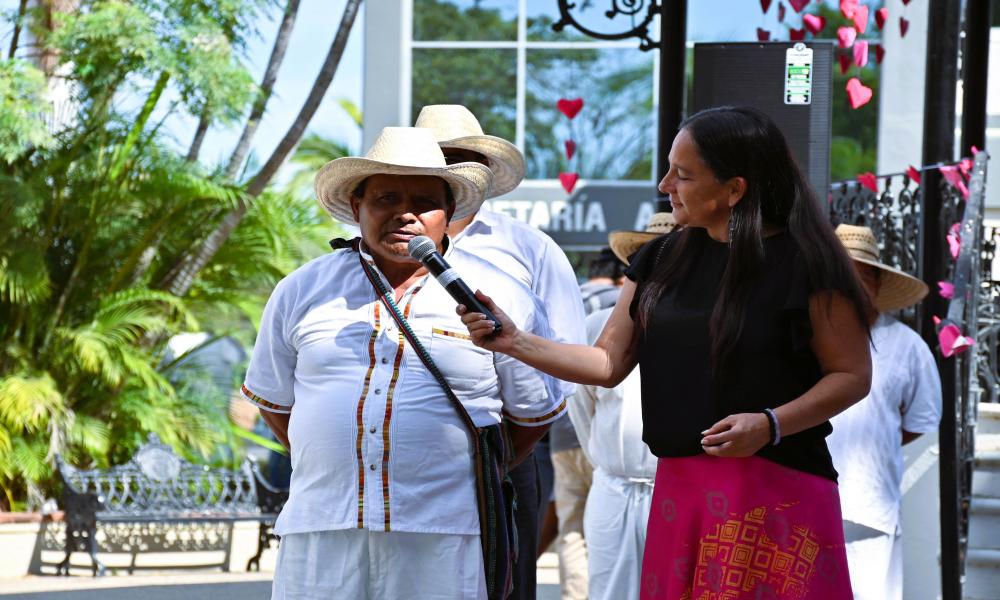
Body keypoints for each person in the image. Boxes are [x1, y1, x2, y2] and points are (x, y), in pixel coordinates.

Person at [459, 106, 874, 599]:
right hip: (681, 489)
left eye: (682, 173)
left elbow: (851, 374)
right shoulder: (660, 259)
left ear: (734, 189)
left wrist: (770, 423)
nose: (664, 185)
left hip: (775, 489)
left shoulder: (808, 264)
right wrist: (514, 341)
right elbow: (608, 363)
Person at [243, 127, 566, 599]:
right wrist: (332, 457)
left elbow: (531, 413)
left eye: (423, 201)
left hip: (445, 532)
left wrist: (472, 470)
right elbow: (275, 401)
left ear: (449, 214)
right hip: (323, 527)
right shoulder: (301, 290)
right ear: (357, 208)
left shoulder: (501, 295)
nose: (405, 213)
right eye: (386, 197)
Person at [415, 103, 587, 600]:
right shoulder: (378, 248)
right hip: (406, 459)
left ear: (483, 173)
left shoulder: (530, 248)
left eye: (463, 162)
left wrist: (512, 449)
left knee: (507, 580)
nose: (452, 172)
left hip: (512, 448)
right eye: (440, 161)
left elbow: (566, 356)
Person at [828, 224, 942, 600]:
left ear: (877, 285)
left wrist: (878, 437)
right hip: (809, 500)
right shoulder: (805, 336)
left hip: (869, 506)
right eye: (844, 276)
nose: (853, 287)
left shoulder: (908, 346)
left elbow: (920, 422)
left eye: (862, 276)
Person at [567, 212, 677, 600]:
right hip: (614, 486)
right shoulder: (599, 324)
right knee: (609, 590)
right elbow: (582, 408)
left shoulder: (704, 326)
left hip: (675, 488)